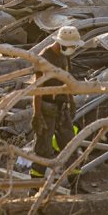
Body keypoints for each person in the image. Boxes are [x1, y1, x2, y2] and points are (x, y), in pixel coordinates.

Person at [30, 26, 82, 181]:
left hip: (62, 108)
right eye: (71, 46)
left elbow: (66, 78)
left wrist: (71, 100)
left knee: (70, 146)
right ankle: (34, 188)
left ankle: (76, 185)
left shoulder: (64, 55)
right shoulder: (44, 57)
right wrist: (37, 113)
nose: (72, 48)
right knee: (43, 150)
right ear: (60, 43)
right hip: (47, 108)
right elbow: (37, 88)